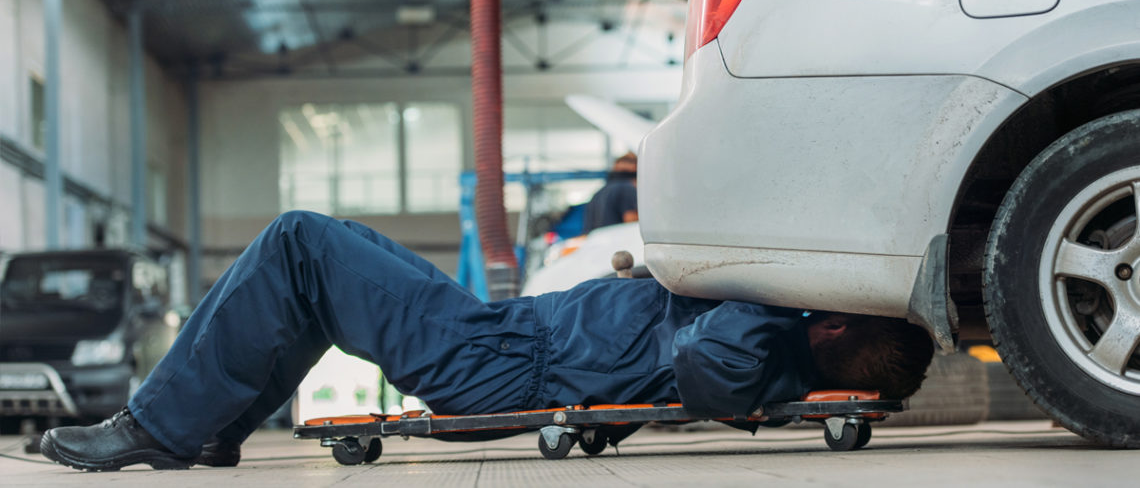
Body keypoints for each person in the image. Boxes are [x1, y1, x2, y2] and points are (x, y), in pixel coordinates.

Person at [40, 211, 934, 472]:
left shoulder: (758, 343)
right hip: (499, 335)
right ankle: (209, 426)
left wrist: (748, 294)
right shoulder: (773, 340)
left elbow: (702, 364)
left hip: (495, 360)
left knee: (298, 240)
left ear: (837, 322)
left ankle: (155, 426)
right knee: (324, 255)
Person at [581, 152, 639, 234]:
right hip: (618, 241)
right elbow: (631, 220)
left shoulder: (599, 192)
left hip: (599, 241)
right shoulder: (627, 188)